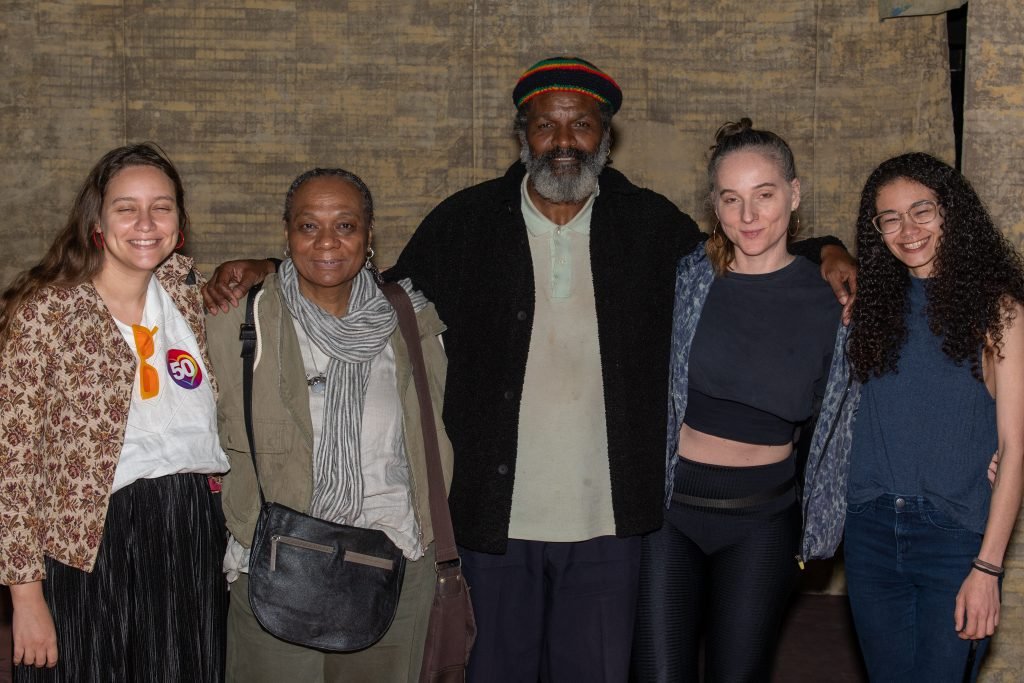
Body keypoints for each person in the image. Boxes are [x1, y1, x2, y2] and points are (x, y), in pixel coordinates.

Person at [202, 57, 856, 681]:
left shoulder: (652, 226)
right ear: (524, 134)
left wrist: (823, 252)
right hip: (495, 526)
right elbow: (373, 295)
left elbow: (743, 262)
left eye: (581, 124)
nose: (563, 141)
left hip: (611, 523)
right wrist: (272, 267)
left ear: (606, 135)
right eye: (546, 124)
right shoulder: (465, 222)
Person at [205, 168, 453, 683]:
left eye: (345, 226)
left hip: (392, 560)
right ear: (288, 233)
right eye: (308, 226)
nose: (326, 242)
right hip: (275, 564)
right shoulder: (239, 321)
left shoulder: (412, 322)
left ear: (368, 236)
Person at [0, 143, 229, 682]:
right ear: (97, 221)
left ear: (181, 220)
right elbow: (12, 465)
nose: (145, 223)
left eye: (162, 207)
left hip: (189, 527)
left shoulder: (187, 293)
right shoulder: (45, 313)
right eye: (126, 207)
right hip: (86, 541)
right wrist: (25, 599)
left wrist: (262, 264)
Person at [629, 119, 844, 681]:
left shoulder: (836, 303)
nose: (748, 217)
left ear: (794, 194)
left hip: (763, 522)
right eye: (732, 199)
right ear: (714, 206)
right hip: (671, 514)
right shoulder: (684, 281)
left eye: (764, 195)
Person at [823, 152, 1024, 681]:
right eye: (889, 218)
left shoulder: (999, 312)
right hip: (868, 531)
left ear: (951, 212)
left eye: (922, 211)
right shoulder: (868, 306)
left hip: (955, 539)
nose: (907, 230)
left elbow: (1016, 448)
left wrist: (987, 568)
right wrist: (828, 253)